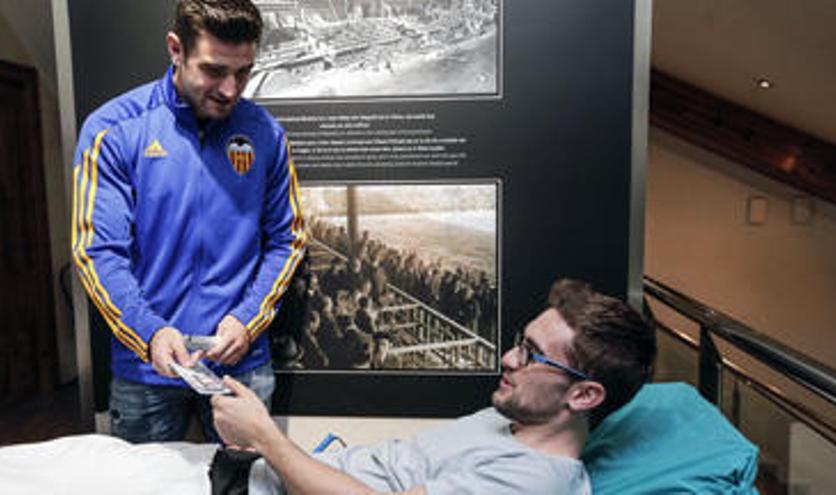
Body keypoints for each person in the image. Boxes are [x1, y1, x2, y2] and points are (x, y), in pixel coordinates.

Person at [70, 0, 305, 443]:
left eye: (244, 72)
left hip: (240, 362)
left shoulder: (266, 134)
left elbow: (287, 240)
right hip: (147, 368)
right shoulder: (114, 129)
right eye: (214, 70)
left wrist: (247, 319)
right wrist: (150, 332)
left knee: (247, 486)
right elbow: (97, 252)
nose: (231, 89)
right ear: (175, 49)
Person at [211, 278, 656, 494]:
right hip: (269, 475)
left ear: (583, 395)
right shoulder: (509, 420)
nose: (508, 358)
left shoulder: (532, 480)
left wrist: (266, 437)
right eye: (518, 343)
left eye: (531, 354)